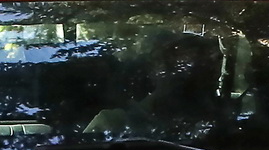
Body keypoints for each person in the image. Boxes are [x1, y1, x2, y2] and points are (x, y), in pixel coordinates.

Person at [83, 29, 226, 138]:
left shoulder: (228, 126)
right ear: (156, 73)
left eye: (201, 75)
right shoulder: (112, 124)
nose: (184, 84)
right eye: (178, 76)